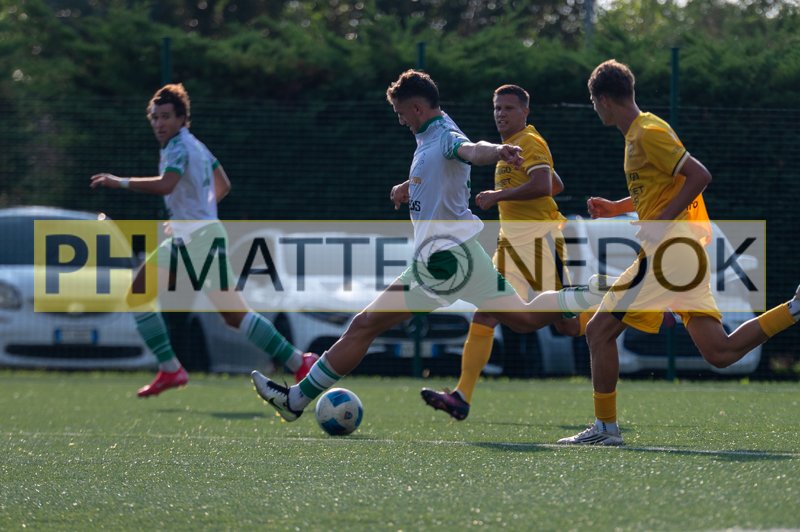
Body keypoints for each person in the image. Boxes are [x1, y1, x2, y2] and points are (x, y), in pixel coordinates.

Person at [250, 70, 606, 422]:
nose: (400, 120)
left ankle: (296, 399)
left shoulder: (445, 135)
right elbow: (443, 170)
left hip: (445, 262)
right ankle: (582, 296)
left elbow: (470, 150)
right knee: (523, 319)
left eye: (401, 112)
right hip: (458, 256)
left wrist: (499, 150)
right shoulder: (431, 136)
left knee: (364, 325)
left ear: (417, 108)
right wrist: (409, 186)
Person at [558, 59, 800, 445]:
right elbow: (662, 190)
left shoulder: (647, 132)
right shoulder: (638, 135)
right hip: (679, 253)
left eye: (593, 103)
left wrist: (660, 221)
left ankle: (606, 428)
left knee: (598, 331)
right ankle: (795, 309)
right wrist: (617, 208)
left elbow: (699, 175)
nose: (595, 109)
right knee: (719, 352)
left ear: (602, 99)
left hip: (668, 253)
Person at [90, 83, 317, 397]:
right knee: (138, 295)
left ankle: (299, 361)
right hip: (187, 238)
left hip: (201, 240)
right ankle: (171, 369)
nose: (159, 123)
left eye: (166, 116)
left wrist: (120, 182)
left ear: (182, 118)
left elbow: (167, 184)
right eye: (155, 117)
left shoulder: (178, 147)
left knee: (234, 315)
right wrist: (195, 212)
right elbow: (222, 184)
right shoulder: (195, 145)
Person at [419, 84, 589, 420]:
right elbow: (554, 184)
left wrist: (499, 196)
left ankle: (617, 307)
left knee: (568, 328)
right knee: (486, 312)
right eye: (497, 108)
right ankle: (461, 396)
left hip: (540, 244)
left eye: (509, 108)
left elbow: (543, 185)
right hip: (509, 247)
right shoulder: (510, 148)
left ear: (525, 111)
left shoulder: (530, 141)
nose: (501, 113)